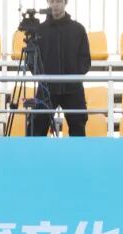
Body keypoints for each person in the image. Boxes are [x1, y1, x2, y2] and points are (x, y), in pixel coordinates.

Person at [29, 0, 92, 137]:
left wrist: (74, 75)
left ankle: (77, 153)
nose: (55, 5)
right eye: (52, 1)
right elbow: (31, 59)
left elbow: (85, 59)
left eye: (58, 1)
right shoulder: (39, 30)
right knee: (36, 127)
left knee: (78, 127)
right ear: (48, 3)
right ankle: (34, 152)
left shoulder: (78, 29)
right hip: (46, 87)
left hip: (73, 88)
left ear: (65, 3)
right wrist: (41, 76)